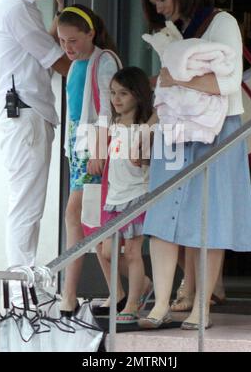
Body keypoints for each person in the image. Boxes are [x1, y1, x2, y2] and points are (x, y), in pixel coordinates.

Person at [138, 0, 251, 330]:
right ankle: (159, 304)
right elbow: (169, 86)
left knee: (211, 219)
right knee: (160, 217)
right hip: (175, 130)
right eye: (153, 3)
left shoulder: (222, 23)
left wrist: (177, 79)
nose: (158, 8)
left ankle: (200, 306)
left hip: (217, 129)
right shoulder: (171, 31)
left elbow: (227, 82)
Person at [0, 0, 70, 288]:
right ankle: (20, 287)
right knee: (27, 204)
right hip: (26, 117)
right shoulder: (17, 9)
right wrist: (97, 70)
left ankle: (21, 284)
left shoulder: (21, 8)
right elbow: (56, 59)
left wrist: (59, 15)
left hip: (27, 115)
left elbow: (41, 46)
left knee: (29, 203)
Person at [56, 4, 121, 315]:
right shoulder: (77, 64)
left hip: (92, 152)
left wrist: (99, 149)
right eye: (62, 41)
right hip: (78, 149)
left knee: (78, 215)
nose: (67, 48)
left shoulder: (103, 60)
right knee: (87, 219)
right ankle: (119, 288)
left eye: (73, 40)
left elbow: (108, 108)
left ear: (91, 33)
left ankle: (69, 295)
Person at [92, 67, 154, 323]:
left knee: (132, 253)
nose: (116, 99)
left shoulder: (145, 128)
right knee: (106, 251)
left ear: (138, 96)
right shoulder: (114, 123)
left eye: (124, 94)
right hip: (114, 198)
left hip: (136, 196)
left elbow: (160, 114)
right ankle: (145, 284)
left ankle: (132, 304)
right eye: (113, 93)